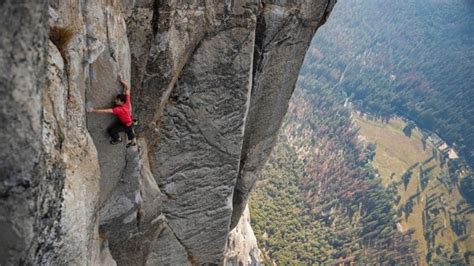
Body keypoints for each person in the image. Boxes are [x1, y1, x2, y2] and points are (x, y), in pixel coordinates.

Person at [88, 74, 137, 147]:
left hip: (126, 123)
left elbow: (105, 111)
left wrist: (93, 110)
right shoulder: (127, 101)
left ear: (121, 102)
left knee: (112, 130)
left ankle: (118, 139)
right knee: (129, 128)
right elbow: (127, 88)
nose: (115, 100)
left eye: (117, 100)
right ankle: (133, 140)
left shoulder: (119, 110)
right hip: (128, 120)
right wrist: (122, 81)